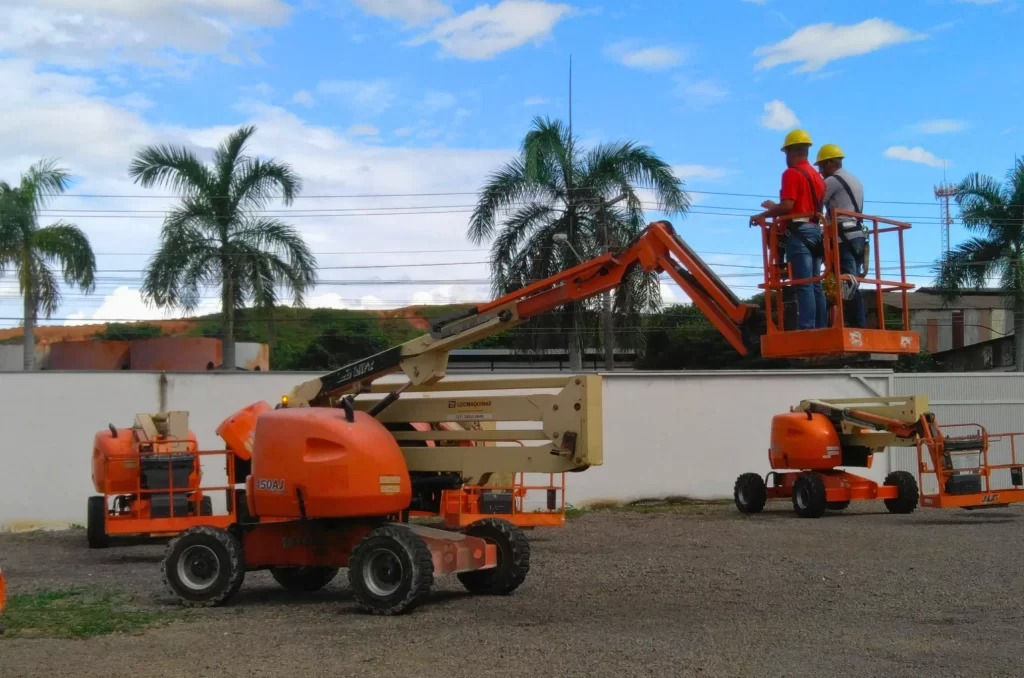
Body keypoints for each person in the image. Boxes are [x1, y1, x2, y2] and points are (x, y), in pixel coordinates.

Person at [751, 129, 827, 330]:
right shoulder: (817, 177)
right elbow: (803, 204)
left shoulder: (791, 173)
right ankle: (821, 325)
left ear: (791, 152)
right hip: (816, 230)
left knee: (803, 284)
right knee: (815, 283)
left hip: (799, 232)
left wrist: (762, 216)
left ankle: (808, 328)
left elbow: (787, 205)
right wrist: (775, 208)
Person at [815, 143, 867, 328]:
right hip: (857, 236)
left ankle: (856, 326)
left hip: (843, 237)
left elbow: (816, 204)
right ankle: (852, 323)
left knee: (847, 282)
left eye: (821, 167)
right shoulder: (855, 180)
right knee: (848, 281)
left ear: (830, 163)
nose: (820, 172)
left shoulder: (832, 181)